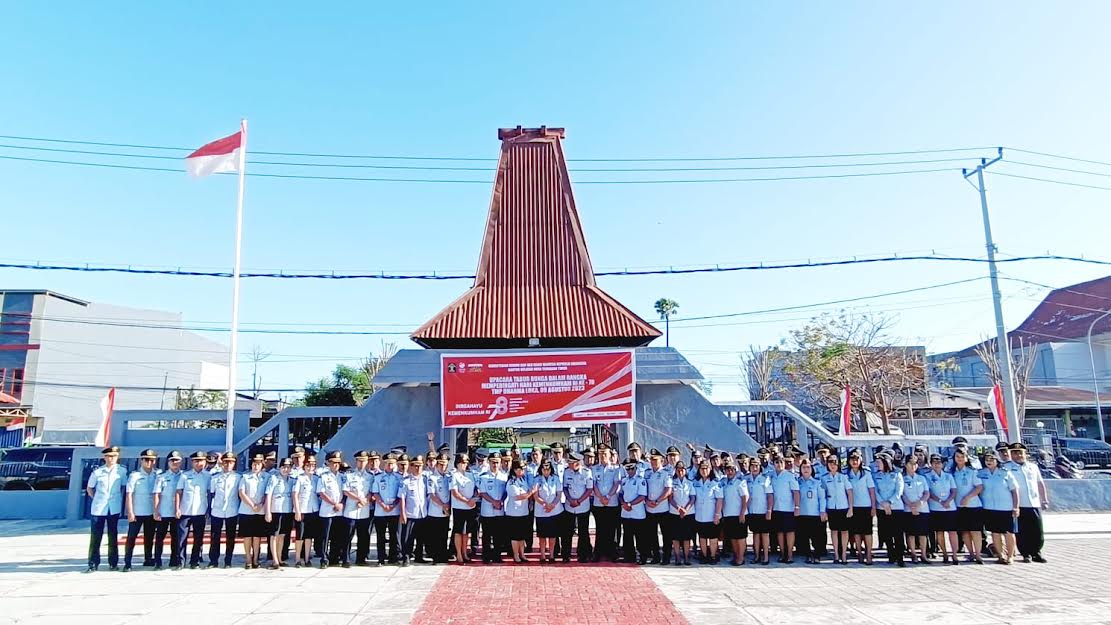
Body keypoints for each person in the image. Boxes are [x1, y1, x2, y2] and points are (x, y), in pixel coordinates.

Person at [85, 446, 127, 572]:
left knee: (113, 536)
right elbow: (90, 489)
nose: (111, 458)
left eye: (113, 456)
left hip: (113, 507)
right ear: (104, 457)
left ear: (117, 457)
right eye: (108, 456)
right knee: (96, 537)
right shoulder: (97, 472)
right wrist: (97, 499)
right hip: (99, 508)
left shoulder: (122, 472)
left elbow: (123, 487)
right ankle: (93, 563)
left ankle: (113, 563)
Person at [1005, 442, 1049, 563]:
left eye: (1020, 453)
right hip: (1019, 504)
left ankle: (1037, 552)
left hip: (1034, 503)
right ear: (1011, 454)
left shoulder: (1032, 467)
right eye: (1014, 453)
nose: (1018, 455)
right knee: (1022, 531)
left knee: (1037, 530)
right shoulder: (1006, 468)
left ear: (1025, 454)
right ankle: (1025, 553)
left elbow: (1040, 483)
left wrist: (1044, 499)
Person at [979, 450, 1019, 565]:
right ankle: (1000, 555)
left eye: (992, 459)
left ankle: (1010, 556)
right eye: (987, 460)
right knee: (995, 532)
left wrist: (1016, 507)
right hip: (989, 507)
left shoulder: (1005, 473)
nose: (989, 462)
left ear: (997, 460)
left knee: (1008, 532)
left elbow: (1015, 490)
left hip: (1005, 507)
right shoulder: (981, 473)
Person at [123, 448, 159, 572]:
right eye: (146, 460)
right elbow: (129, 494)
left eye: (152, 460)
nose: (149, 463)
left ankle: (148, 558)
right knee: (131, 537)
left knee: (149, 537)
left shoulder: (157, 474)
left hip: (151, 511)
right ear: (141, 461)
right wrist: (130, 512)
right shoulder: (135, 476)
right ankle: (127, 562)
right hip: (137, 511)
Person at [175, 451, 212, 569]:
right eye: (196, 461)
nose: (199, 463)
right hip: (185, 511)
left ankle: (194, 561)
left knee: (198, 538)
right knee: (182, 538)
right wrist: (177, 508)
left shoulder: (208, 476)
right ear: (192, 462)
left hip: (200, 511)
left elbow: (210, 493)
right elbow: (179, 492)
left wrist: (209, 510)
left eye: (201, 460)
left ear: (205, 461)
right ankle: (180, 561)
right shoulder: (185, 475)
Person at [951, 447, 986, 565]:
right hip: (958, 506)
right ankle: (970, 553)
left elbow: (979, 487)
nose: (960, 459)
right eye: (957, 457)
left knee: (975, 531)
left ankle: (978, 554)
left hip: (973, 505)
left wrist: (968, 497)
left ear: (966, 458)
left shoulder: (973, 472)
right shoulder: (952, 472)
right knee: (965, 531)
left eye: (962, 457)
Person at [207, 452, 241, 569]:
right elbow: (211, 494)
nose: (228, 465)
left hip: (232, 510)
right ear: (222, 463)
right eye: (226, 462)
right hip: (217, 510)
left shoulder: (238, 477)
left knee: (230, 537)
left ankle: (228, 560)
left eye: (230, 462)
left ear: (234, 464)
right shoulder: (215, 477)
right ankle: (213, 560)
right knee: (215, 536)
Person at [925, 453, 959, 565]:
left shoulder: (948, 476)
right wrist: (940, 501)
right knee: (940, 532)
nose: (936, 464)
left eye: (938, 462)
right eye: (934, 462)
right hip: (936, 507)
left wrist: (948, 501)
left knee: (952, 532)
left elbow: (954, 491)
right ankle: (944, 554)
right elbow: (929, 492)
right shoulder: (927, 476)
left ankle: (954, 555)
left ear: (942, 464)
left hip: (950, 507)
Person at [152, 450, 183, 570]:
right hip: (163, 511)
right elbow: (156, 494)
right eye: (172, 460)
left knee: (176, 538)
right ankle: (158, 561)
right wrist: (156, 510)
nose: (174, 462)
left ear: (181, 462)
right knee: (160, 537)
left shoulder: (184, 476)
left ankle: (174, 560)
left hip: (178, 511)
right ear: (168, 462)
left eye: (177, 460)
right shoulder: (162, 477)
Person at [237, 453, 269, 569]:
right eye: (254, 464)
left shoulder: (266, 477)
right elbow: (241, 493)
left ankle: (256, 558)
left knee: (257, 537)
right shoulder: (245, 477)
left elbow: (268, 492)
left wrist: (260, 504)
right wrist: (252, 505)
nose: (256, 466)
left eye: (259, 464)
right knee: (247, 536)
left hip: (260, 510)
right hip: (246, 510)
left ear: (262, 465)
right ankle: (248, 558)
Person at [342, 450, 373, 567]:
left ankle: (361, 558)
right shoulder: (349, 475)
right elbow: (346, 491)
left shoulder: (370, 476)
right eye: (360, 461)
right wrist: (359, 499)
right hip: (351, 509)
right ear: (356, 461)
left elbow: (371, 492)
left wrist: (365, 500)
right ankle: (346, 559)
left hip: (364, 510)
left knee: (363, 536)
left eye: (364, 461)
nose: (361, 463)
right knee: (348, 536)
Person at [874, 453, 906, 567]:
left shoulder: (897, 474)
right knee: (886, 533)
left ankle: (900, 556)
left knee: (898, 533)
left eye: (879, 462)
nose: (877, 464)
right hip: (882, 507)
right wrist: (883, 503)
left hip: (896, 507)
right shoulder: (876, 475)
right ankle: (891, 555)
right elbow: (875, 491)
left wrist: (890, 502)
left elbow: (899, 491)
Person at [562, 451, 594, 563]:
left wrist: (579, 501)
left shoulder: (586, 472)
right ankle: (566, 554)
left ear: (577, 463)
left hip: (582, 505)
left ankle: (583, 554)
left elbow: (589, 489)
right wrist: (570, 499)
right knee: (567, 532)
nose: (569, 464)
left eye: (571, 462)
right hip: (569, 506)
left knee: (583, 532)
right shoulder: (567, 472)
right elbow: (565, 487)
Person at [591, 444, 621, 562]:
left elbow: (616, 484)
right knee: (600, 529)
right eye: (600, 453)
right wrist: (600, 497)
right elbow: (593, 485)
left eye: (605, 453)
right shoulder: (594, 469)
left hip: (611, 502)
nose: (602, 456)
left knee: (611, 529)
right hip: (599, 503)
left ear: (609, 455)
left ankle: (611, 552)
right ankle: (598, 552)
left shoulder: (615, 469)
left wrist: (608, 496)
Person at [821, 454, 853, 565]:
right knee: (834, 531)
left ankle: (844, 554)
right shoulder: (824, 478)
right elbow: (823, 495)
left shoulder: (843, 477)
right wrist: (823, 510)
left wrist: (850, 508)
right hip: (831, 507)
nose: (833, 465)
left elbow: (849, 493)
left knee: (844, 531)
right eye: (830, 462)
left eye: (835, 462)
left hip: (843, 507)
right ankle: (836, 554)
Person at [844, 451, 876, 565]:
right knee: (856, 532)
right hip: (853, 506)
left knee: (867, 532)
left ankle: (868, 553)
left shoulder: (866, 473)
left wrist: (873, 507)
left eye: (857, 459)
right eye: (852, 459)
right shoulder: (846, 473)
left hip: (866, 506)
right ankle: (859, 553)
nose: (855, 461)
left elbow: (872, 491)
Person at [316, 450, 346, 569]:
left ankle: (334, 557)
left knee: (337, 536)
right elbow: (321, 493)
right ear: (328, 463)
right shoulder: (323, 476)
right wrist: (334, 503)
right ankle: (324, 558)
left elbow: (345, 492)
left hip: (339, 511)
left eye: (338, 463)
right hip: (327, 510)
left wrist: (341, 504)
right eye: (333, 463)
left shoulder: (342, 477)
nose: (336, 465)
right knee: (325, 536)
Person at [372, 453, 403, 565]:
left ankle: (393, 557)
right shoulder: (378, 477)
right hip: (381, 511)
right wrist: (383, 505)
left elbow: (400, 494)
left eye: (392, 463)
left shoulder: (399, 478)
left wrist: (393, 505)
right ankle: (380, 558)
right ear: (384, 464)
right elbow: (375, 493)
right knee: (380, 536)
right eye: (388, 463)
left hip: (394, 510)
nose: (390, 466)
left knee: (394, 535)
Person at [642, 448, 672, 565]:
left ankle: (666, 556)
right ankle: (656, 556)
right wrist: (647, 500)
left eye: (656, 460)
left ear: (661, 460)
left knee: (666, 535)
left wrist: (658, 501)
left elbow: (668, 489)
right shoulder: (647, 473)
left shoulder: (666, 473)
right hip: (650, 508)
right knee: (652, 535)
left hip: (662, 508)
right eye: (652, 460)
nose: (653, 462)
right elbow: (643, 488)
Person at [691, 459, 723, 565]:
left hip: (712, 515)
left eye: (706, 468)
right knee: (702, 537)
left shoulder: (715, 483)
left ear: (710, 469)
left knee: (713, 537)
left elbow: (719, 499)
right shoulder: (695, 482)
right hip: (699, 515)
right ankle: (704, 556)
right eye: (702, 468)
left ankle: (713, 556)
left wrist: (717, 514)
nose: (704, 471)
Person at [265, 458, 295, 569]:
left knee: (282, 535)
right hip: (275, 510)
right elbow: (268, 495)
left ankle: (280, 557)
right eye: (283, 467)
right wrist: (267, 512)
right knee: (274, 535)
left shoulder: (291, 480)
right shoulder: (274, 478)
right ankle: (274, 560)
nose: (286, 469)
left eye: (288, 467)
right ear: (280, 467)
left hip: (286, 511)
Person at [794, 459, 827, 564]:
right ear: (800, 469)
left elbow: (822, 498)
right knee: (804, 536)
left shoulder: (817, 482)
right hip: (802, 513)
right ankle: (807, 555)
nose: (806, 470)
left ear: (812, 469)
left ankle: (817, 555)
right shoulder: (797, 482)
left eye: (808, 467)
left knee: (817, 536)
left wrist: (822, 511)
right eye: (803, 467)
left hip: (815, 513)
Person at [770, 456, 800, 564]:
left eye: (781, 462)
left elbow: (796, 492)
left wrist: (797, 507)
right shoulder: (771, 476)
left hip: (788, 508)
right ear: (773, 464)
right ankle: (782, 554)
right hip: (776, 508)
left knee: (789, 531)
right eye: (777, 462)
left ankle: (790, 554)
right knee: (780, 532)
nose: (779, 464)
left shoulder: (789, 476)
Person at [901, 454, 931, 564]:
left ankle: (923, 554)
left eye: (915, 464)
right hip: (908, 509)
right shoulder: (903, 478)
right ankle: (913, 553)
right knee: (911, 533)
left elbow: (926, 493)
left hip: (922, 508)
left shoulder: (922, 478)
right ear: (906, 465)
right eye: (911, 463)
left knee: (923, 533)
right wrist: (911, 505)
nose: (913, 466)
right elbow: (902, 494)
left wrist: (921, 502)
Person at [399, 455, 428, 566]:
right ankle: (406, 557)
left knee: (421, 537)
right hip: (410, 513)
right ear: (411, 466)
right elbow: (402, 498)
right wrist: (403, 513)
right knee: (408, 538)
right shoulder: (406, 481)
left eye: (420, 466)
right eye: (415, 466)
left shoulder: (425, 480)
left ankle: (419, 556)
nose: (418, 468)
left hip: (422, 513)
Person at [718, 459, 749, 566]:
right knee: (732, 537)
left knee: (740, 537)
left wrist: (742, 513)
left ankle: (741, 558)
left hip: (738, 514)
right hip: (728, 514)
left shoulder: (740, 482)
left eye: (732, 469)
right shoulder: (723, 483)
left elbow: (745, 498)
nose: (730, 472)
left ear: (735, 471)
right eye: (727, 470)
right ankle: (736, 556)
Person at [292, 453, 320, 567]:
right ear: (304, 466)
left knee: (309, 536)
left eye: (313, 465)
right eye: (308, 465)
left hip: (313, 509)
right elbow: (295, 494)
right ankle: (298, 559)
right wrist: (297, 511)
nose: (311, 467)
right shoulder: (300, 478)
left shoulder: (316, 478)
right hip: (302, 509)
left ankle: (307, 558)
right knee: (300, 536)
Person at [504, 459, 535, 563]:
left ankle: (522, 554)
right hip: (514, 512)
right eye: (520, 468)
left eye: (523, 468)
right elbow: (518, 497)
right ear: (515, 470)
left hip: (523, 511)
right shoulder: (511, 482)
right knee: (515, 536)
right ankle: (516, 555)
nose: (522, 470)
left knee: (522, 536)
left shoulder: (523, 480)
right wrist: (532, 492)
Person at [744, 457, 773, 565]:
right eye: (752, 466)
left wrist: (769, 510)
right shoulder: (746, 479)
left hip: (763, 510)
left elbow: (770, 496)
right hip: (752, 511)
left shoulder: (765, 479)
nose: (754, 468)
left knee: (765, 534)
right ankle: (756, 556)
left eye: (756, 466)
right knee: (755, 534)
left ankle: (765, 556)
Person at [450, 453, 479, 565]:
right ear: (457, 463)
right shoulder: (454, 475)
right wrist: (467, 501)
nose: (465, 464)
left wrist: (474, 499)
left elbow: (476, 489)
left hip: (470, 507)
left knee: (466, 532)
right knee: (458, 531)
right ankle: (458, 554)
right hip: (459, 507)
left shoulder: (470, 475)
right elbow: (455, 492)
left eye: (466, 462)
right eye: (463, 462)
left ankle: (464, 552)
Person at [425, 452, 453, 564]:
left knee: (444, 534)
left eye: (445, 464)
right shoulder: (432, 478)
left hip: (445, 512)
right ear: (437, 464)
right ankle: (435, 556)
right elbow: (432, 495)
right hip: (435, 511)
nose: (443, 466)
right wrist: (443, 504)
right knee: (435, 536)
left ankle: (442, 555)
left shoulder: (448, 477)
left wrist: (448, 506)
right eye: (441, 464)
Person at [534, 460, 564, 563]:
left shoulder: (555, 478)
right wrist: (545, 504)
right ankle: (542, 555)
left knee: (552, 535)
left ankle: (551, 555)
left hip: (554, 510)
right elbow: (535, 495)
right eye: (544, 468)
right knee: (542, 536)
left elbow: (559, 494)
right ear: (540, 469)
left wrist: (552, 505)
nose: (546, 471)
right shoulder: (536, 479)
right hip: (541, 511)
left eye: (548, 468)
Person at [619, 459, 648, 564]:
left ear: (636, 468)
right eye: (628, 468)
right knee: (627, 536)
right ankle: (629, 556)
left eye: (632, 468)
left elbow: (642, 496)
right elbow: (621, 494)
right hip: (626, 512)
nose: (630, 471)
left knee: (640, 537)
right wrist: (623, 503)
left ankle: (642, 556)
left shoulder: (641, 480)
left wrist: (630, 504)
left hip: (637, 513)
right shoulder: (624, 480)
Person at [668, 462, 695, 565]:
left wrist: (685, 510)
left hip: (688, 513)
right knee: (675, 537)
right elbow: (670, 498)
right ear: (675, 470)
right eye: (678, 469)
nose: (680, 471)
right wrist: (678, 508)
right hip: (675, 513)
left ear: (685, 470)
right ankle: (677, 557)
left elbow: (692, 498)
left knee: (687, 537)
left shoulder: (690, 483)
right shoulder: (672, 482)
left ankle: (687, 557)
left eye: (682, 469)